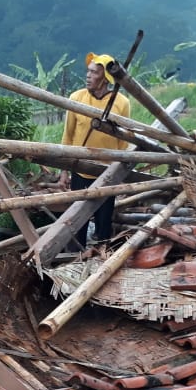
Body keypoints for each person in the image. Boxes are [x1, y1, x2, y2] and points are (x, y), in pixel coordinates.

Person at [58, 52, 132, 248]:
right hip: (80, 167)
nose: (88, 76)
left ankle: (102, 259)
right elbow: (68, 136)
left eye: (94, 72)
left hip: (107, 171)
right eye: (88, 72)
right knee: (76, 221)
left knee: (104, 223)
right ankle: (73, 261)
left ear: (105, 78)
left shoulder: (121, 103)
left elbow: (123, 142)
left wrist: (120, 173)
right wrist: (64, 171)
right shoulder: (76, 98)